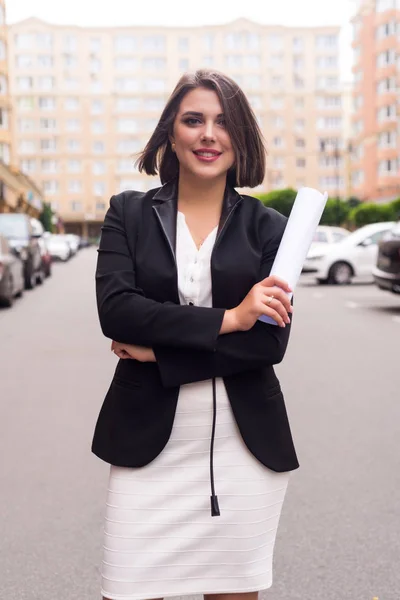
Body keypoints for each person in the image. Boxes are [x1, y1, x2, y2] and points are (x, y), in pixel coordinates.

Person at [93, 69, 299, 600]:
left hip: (244, 449)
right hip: (146, 444)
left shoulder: (270, 228)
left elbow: (268, 344)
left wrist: (160, 355)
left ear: (241, 137)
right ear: (171, 133)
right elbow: (118, 312)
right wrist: (230, 318)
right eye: (194, 120)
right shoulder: (128, 213)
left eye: (224, 122)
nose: (209, 134)